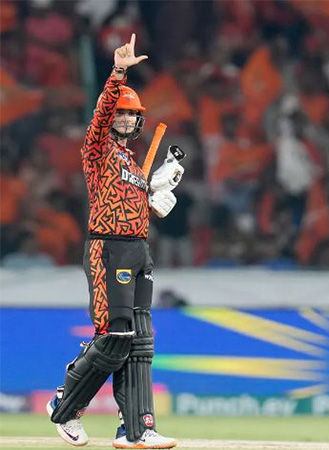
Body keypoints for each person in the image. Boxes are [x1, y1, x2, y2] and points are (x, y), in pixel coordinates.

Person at [46, 34, 182, 449]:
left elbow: (137, 209)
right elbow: (102, 111)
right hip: (108, 249)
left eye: (130, 115)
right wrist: (119, 71)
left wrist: (155, 200)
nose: (123, 119)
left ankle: (137, 430)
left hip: (139, 250)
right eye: (120, 114)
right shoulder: (98, 150)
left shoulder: (133, 166)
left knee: (140, 341)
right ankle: (65, 406)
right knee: (115, 335)